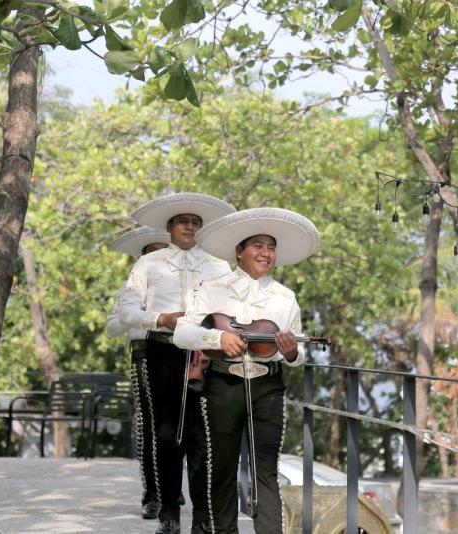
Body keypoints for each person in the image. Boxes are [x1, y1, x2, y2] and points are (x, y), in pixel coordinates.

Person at [173, 207, 321, 534]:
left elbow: (298, 354)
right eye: (257, 245)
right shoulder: (212, 287)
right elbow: (182, 334)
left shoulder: (285, 298)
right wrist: (217, 337)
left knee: (265, 471)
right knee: (221, 469)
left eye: (270, 247)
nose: (265, 253)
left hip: (267, 387)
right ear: (239, 251)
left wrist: (292, 351)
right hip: (222, 384)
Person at [117, 192, 235, 534]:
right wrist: (162, 318)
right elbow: (127, 312)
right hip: (162, 352)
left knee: (203, 436)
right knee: (167, 434)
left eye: (196, 222)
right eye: (183, 221)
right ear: (169, 227)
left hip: (205, 353)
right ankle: (168, 513)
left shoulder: (218, 265)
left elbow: (229, 312)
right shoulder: (147, 264)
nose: (190, 226)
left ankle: (203, 518)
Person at [106, 226, 170, 520]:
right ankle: (152, 495)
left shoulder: (179, 287)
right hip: (143, 354)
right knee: (147, 425)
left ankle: (171, 488)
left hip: (176, 355)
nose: (157, 257)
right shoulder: (131, 288)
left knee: (176, 426)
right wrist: (134, 313)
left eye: (162, 251)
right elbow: (111, 328)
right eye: (151, 252)